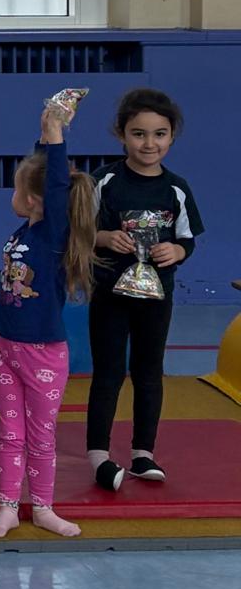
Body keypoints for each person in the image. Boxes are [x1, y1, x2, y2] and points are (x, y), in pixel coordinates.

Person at [0, 106, 98, 539]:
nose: (12, 193)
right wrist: (43, 137)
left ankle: (44, 507)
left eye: (18, 188)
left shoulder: (53, 237)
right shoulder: (27, 232)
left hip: (43, 354)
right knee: (9, 434)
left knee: (41, 436)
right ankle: (8, 507)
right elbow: (45, 177)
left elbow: (54, 186)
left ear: (34, 199)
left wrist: (55, 136)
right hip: (7, 348)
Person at [86, 88, 204, 490]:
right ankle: (98, 454)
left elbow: (187, 239)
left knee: (149, 372)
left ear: (172, 136)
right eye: (138, 133)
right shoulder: (104, 181)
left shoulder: (176, 188)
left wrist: (177, 251)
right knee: (108, 373)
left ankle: (143, 453)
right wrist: (103, 237)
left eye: (159, 134)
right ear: (121, 134)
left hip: (157, 299)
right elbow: (79, 232)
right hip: (110, 296)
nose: (149, 143)